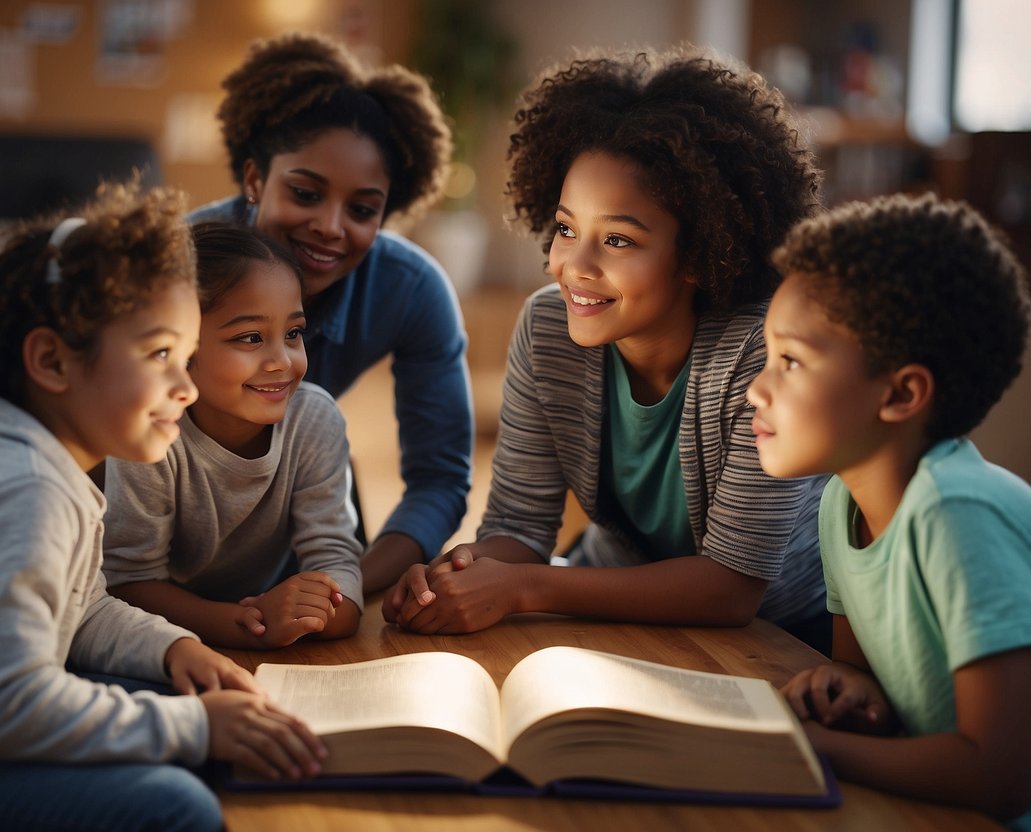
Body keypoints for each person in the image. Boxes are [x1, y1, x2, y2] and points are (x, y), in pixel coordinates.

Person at [0, 183, 326, 832]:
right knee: (176, 805)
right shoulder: (22, 491)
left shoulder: (30, 456)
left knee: (182, 697)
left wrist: (172, 648)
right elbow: (9, 709)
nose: (186, 387)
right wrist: (192, 727)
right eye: (161, 355)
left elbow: (78, 607)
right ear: (52, 360)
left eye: (187, 358)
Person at [383, 45, 830, 649]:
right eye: (566, 229)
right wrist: (458, 574)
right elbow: (518, 526)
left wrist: (522, 588)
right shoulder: (547, 329)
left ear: (698, 254)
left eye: (617, 240)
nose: (573, 267)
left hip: (783, 641)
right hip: (615, 616)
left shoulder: (763, 352)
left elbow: (732, 586)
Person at [748, 193, 1031, 830]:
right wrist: (850, 693)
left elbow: (998, 776)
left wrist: (821, 748)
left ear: (901, 394)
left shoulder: (959, 515)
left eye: (790, 361)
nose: (758, 387)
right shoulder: (842, 500)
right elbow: (861, 675)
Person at [188, 31, 471, 595]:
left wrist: (342, 589)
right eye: (306, 193)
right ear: (253, 179)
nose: (331, 226)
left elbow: (439, 479)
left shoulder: (412, 290)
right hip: (170, 513)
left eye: (362, 209)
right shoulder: (176, 266)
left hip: (310, 502)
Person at [102, 222, 362, 649]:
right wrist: (250, 624)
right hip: (170, 643)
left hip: (280, 623)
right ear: (182, 346)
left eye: (293, 333)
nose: (282, 361)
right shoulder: (150, 434)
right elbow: (129, 582)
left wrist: (320, 610)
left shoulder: (312, 420)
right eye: (250, 338)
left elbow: (336, 560)